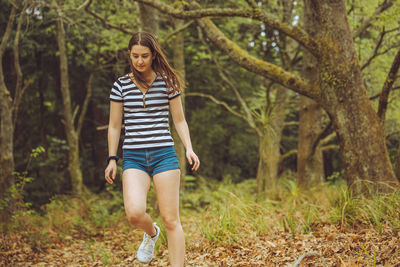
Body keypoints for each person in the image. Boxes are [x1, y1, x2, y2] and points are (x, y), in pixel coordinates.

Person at [104, 32, 200, 267]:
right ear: (130, 55)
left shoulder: (168, 82)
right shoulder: (121, 85)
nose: (139, 61)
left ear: (153, 54)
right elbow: (115, 125)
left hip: (164, 155)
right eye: (135, 56)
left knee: (171, 219)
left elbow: (179, 120)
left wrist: (189, 148)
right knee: (134, 213)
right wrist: (112, 158)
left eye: (144, 56)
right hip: (134, 158)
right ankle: (151, 232)